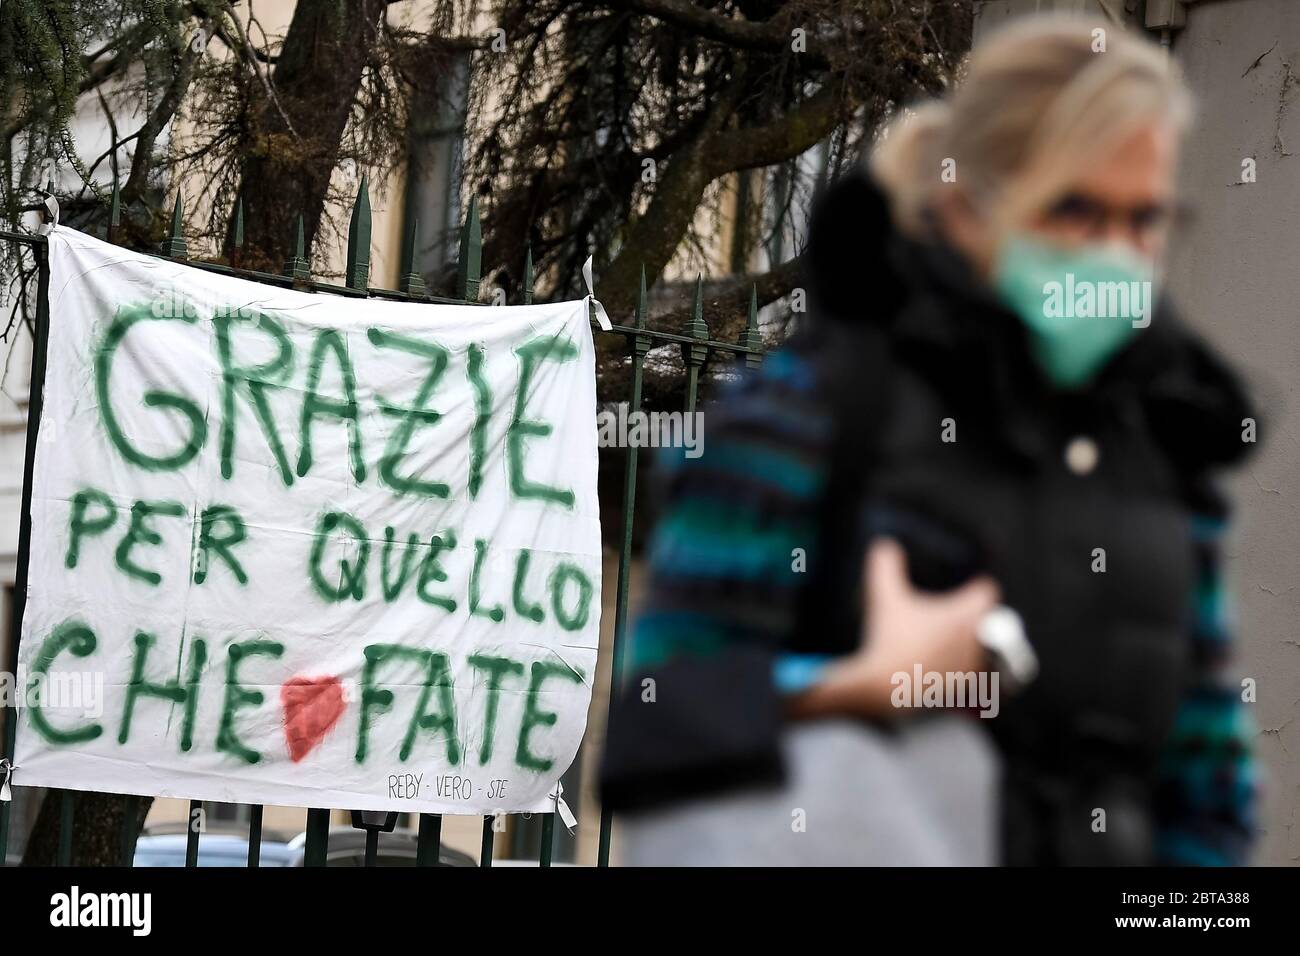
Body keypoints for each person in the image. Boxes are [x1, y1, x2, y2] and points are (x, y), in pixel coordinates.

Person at [600, 14, 1258, 866]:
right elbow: (660, 718)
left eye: (1144, 220)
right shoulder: (808, 414)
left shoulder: (1164, 449)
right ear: (968, 205)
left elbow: (1209, 806)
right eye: (1075, 210)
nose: (1118, 257)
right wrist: (857, 687)